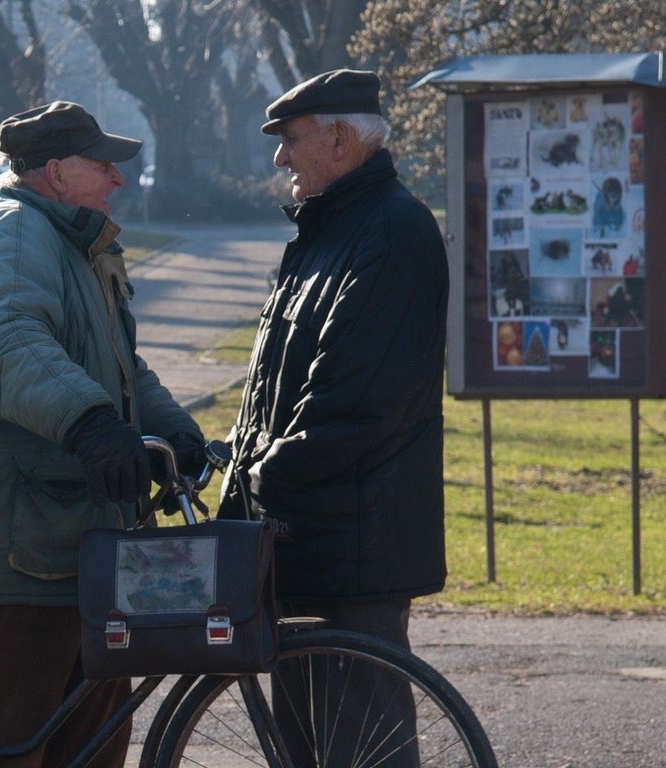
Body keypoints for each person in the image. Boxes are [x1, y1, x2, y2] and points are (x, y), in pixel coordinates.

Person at [0, 100, 204, 768]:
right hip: (14, 552)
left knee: (90, 747)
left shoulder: (74, 242)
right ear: (55, 171)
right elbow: (3, 346)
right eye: (104, 164)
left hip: (70, 546)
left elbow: (119, 367)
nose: (118, 179)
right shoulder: (12, 235)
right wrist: (93, 425)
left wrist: (175, 434)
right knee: (11, 750)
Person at [220, 69, 449, 765]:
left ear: (342, 139)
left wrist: (260, 474)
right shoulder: (328, 233)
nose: (279, 158)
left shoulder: (392, 234)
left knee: (358, 752)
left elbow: (357, 405)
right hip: (306, 543)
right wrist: (234, 455)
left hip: (353, 551)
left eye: (292, 140)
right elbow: (280, 389)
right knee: (308, 750)